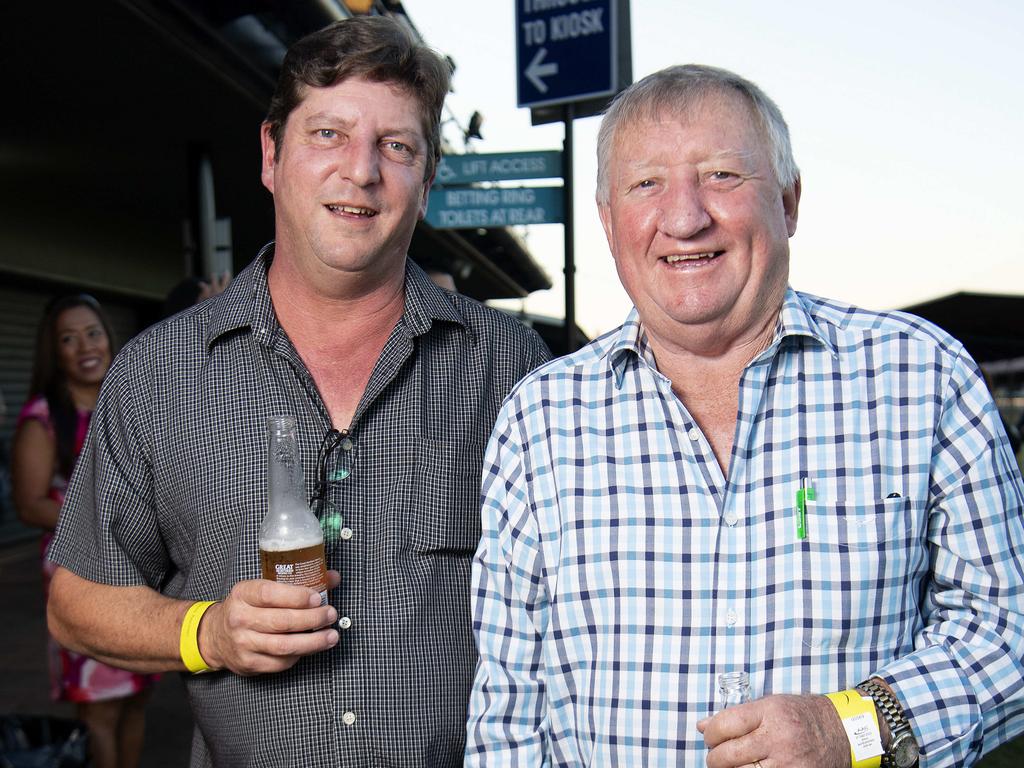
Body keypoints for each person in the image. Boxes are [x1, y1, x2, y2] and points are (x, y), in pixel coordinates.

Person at [464, 64, 1024, 768]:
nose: (685, 216)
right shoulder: (539, 419)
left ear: (789, 202)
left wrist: (851, 728)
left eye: (723, 175)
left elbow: (1008, 631)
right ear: (608, 223)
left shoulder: (923, 377)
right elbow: (510, 710)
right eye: (646, 185)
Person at [45, 16, 549, 768]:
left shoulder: (510, 366)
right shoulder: (159, 373)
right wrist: (206, 632)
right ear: (271, 155)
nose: (362, 170)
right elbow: (75, 603)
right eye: (328, 135)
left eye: (397, 146)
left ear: (428, 178)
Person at [12, 294, 158, 768]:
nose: (84, 347)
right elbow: (29, 505)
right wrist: (102, 514)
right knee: (99, 706)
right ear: (54, 352)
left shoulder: (131, 403)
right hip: (79, 574)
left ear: (110, 340)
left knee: (136, 697)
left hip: (134, 566)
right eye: (68, 339)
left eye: (93, 333)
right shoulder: (42, 419)